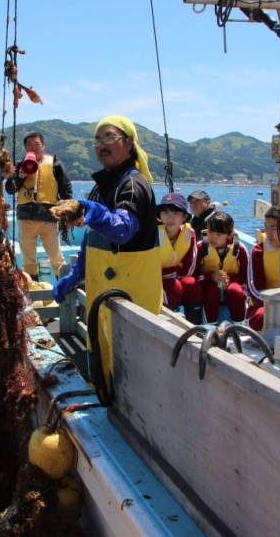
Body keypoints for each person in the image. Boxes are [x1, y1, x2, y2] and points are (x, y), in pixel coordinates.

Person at [52, 115, 162, 394]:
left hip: (132, 297)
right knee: (101, 359)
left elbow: (123, 230)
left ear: (129, 143)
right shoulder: (102, 186)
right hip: (103, 294)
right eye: (98, 140)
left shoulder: (133, 185)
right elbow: (92, 239)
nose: (102, 145)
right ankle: (103, 403)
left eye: (110, 138)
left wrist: (95, 212)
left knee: (131, 370)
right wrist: (76, 275)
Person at [5, 131, 73, 279]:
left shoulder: (55, 163)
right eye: (30, 144)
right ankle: (32, 290)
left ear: (43, 145)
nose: (33, 147)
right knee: (28, 260)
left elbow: (66, 188)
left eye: (37, 144)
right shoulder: (19, 166)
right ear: (25, 148)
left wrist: (66, 211)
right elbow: (10, 189)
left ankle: (63, 290)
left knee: (57, 258)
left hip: (48, 218)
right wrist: (20, 175)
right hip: (25, 218)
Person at [157, 192, 203, 325]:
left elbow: (190, 266)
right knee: (173, 285)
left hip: (177, 277)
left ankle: (195, 327)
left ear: (184, 217)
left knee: (192, 284)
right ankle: (171, 326)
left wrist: (174, 272)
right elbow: (147, 267)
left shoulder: (190, 234)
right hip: (156, 280)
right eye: (165, 213)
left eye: (176, 213)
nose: (170, 218)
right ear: (159, 216)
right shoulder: (153, 235)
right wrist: (174, 271)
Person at [197, 211, 248, 323]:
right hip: (208, 286)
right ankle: (209, 325)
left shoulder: (240, 250)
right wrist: (211, 277)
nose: (213, 237)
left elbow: (247, 278)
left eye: (219, 234)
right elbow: (193, 275)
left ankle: (239, 325)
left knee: (236, 291)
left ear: (229, 234)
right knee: (211, 290)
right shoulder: (200, 247)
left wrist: (231, 279)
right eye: (210, 232)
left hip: (231, 286)